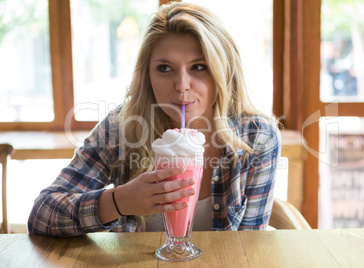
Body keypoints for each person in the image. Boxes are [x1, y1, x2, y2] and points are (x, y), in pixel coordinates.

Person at [28, 2, 281, 237]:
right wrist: (118, 201)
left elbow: (249, 249)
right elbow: (41, 215)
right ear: (147, 74)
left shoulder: (258, 136)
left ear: (223, 70)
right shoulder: (121, 128)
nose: (182, 86)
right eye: (164, 68)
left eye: (199, 66)